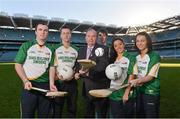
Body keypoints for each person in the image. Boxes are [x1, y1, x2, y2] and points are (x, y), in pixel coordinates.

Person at [15, 22, 54, 118]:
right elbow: (18, 64)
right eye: (40, 30)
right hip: (29, 85)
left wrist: (51, 84)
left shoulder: (51, 49)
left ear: (48, 33)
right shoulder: (26, 45)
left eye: (45, 30)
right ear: (36, 32)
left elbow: (52, 67)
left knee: (44, 116)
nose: (43, 32)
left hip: (45, 87)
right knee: (27, 116)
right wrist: (25, 80)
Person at [75, 28, 110, 118]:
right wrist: (77, 72)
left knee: (101, 113)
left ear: (96, 37)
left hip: (99, 85)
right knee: (88, 112)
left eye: (93, 36)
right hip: (86, 86)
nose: (91, 38)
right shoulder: (81, 50)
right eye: (89, 36)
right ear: (85, 37)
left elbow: (103, 65)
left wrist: (88, 72)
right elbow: (78, 64)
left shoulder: (103, 49)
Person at [49, 25, 78, 117]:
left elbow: (78, 66)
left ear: (70, 35)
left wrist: (74, 74)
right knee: (57, 109)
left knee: (72, 108)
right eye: (64, 33)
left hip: (72, 83)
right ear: (61, 35)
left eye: (68, 33)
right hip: (59, 82)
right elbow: (52, 66)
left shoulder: (76, 49)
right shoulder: (54, 49)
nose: (66, 35)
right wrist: (55, 78)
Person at [130, 32, 161, 118]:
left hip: (150, 92)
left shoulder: (155, 56)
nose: (139, 43)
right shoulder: (135, 57)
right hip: (138, 91)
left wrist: (138, 81)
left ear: (148, 41)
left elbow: (151, 76)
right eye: (137, 41)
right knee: (140, 115)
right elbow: (134, 73)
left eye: (142, 40)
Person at [108, 37, 136, 118]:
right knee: (116, 116)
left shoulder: (130, 58)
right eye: (115, 46)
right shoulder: (113, 59)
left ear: (124, 44)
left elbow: (132, 76)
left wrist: (126, 93)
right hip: (113, 94)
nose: (118, 47)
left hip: (124, 94)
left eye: (120, 44)